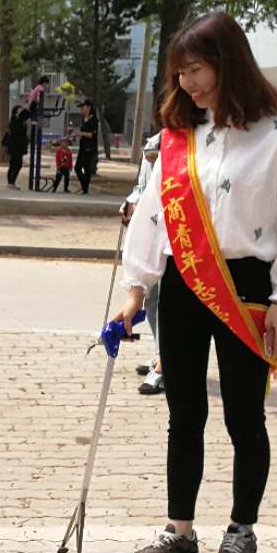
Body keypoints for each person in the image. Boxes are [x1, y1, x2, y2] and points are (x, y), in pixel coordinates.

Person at [118, 10, 277, 553]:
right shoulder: (180, 139)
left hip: (249, 288)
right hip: (184, 285)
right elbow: (155, 217)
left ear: (228, 64)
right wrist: (136, 291)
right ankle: (179, 531)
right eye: (180, 73)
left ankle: (241, 529)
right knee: (184, 412)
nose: (188, 84)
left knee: (244, 416)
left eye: (197, 70)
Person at [122, 133, 164, 395]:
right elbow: (142, 186)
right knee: (152, 300)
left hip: (172, 237)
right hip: (149, 234)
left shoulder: (189, 141)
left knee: (168, 304)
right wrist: (130, 202)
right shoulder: (152, 143)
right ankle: (160, 353)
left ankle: (164, 364)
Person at [75, 98, 99, 195]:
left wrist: (81, 133)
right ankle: (84, 186)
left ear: (88, 108)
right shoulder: (83, 119)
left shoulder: (94, 120)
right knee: (77, 168)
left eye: (83, 107)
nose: (81, 109)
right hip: (82, 146)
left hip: (89, 147)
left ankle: (85, 189)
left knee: (86, 168)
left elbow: (92, 135)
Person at [5, 103, 30, 189]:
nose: (22, 110)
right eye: (20, 109)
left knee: (13, 164)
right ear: (16, 112)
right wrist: (29, 102)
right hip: (16, 146)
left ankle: (10, 182)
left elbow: (26, 114)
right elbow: (26, 113)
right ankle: (11, 182)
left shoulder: (16, 120)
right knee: (17, 164)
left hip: (15, 145)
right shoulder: (16, 119)